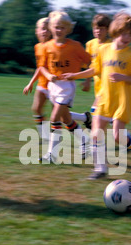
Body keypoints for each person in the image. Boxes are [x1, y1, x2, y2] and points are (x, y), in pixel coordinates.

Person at [62, 12, 131, 179]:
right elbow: (95, 70)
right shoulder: (103, 50)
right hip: (104, 97)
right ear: (115, 32)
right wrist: (74, 75)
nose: (127, 38)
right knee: (96, 133)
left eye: (130, 35)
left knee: (118, 136)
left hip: (122, 99)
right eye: (124, 33)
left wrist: (122, 77)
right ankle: (100, 169)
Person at [23, 17, 92, 143]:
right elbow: (41, 67)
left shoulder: (62, 46)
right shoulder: (38, 47)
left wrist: (85, 78)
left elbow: (87, 62)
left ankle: (56, 147)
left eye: (46, 29)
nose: (44, 32)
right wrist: (32, 83)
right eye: (42, 29)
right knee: (38, 109)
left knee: (60, 117)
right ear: (36, 31)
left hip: (59, 85)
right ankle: (46, 137)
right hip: (45, 85)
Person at [37, 11, 92, 162]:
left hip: (67, 86)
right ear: (50, 27)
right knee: (66, 119)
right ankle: (85, 141)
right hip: (53, 86)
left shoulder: (75, 46)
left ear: (68, 29)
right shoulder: (46, 46)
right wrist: (48, 76)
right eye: (56, 27)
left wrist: (87, 80)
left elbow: (91, 62)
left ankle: (52, 155)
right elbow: (41, 67)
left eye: (62, 27)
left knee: (55, 117)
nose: (58, 30)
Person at [82, 13, 112, 115]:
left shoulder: (111, 45)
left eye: (102, 28)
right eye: (96, 28)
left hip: (108, 84)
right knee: (106, 115)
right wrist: (87, 81)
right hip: (97, 83)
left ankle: (88, 120)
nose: (98, 31)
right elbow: (89, 64)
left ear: (108, 30)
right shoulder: (90, 44)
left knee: (95, 112)